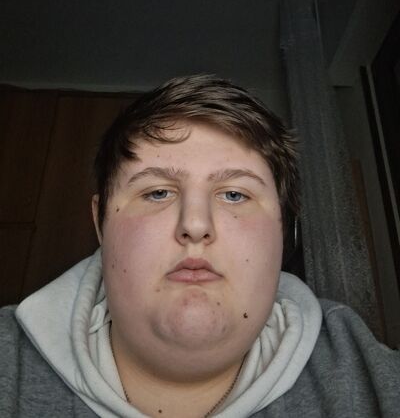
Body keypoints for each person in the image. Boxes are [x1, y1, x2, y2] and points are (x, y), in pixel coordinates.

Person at [0, 74, 399, 418]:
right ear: (99, 223)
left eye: (235, 195)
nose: (195, 225)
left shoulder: (369, 378)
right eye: (157, 192)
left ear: (284, 231)